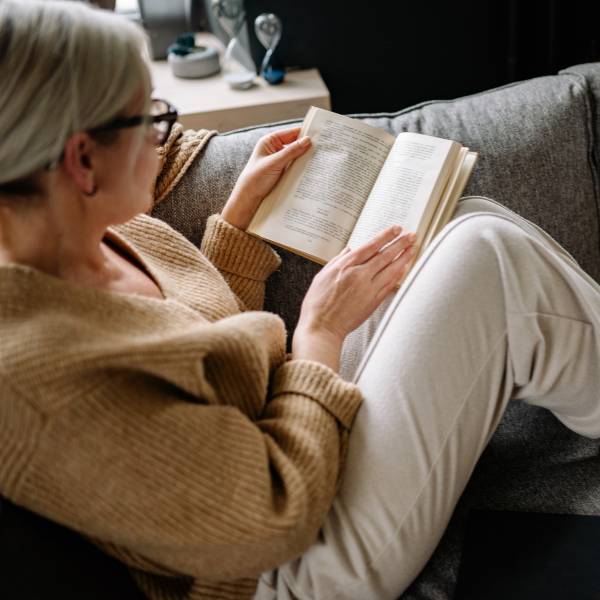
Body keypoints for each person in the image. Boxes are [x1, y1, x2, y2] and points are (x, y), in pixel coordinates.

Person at [0, 2, 599, 600]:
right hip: (287, 564)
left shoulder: (107, 231)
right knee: (483, 253)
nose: (165, 143)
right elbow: (266, 520)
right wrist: (320, 334)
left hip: (298, 443)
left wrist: (240, 221)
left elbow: (210, 364)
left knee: (459, 225)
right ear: (81, 161)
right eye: (149, 120)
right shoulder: (38, 380)